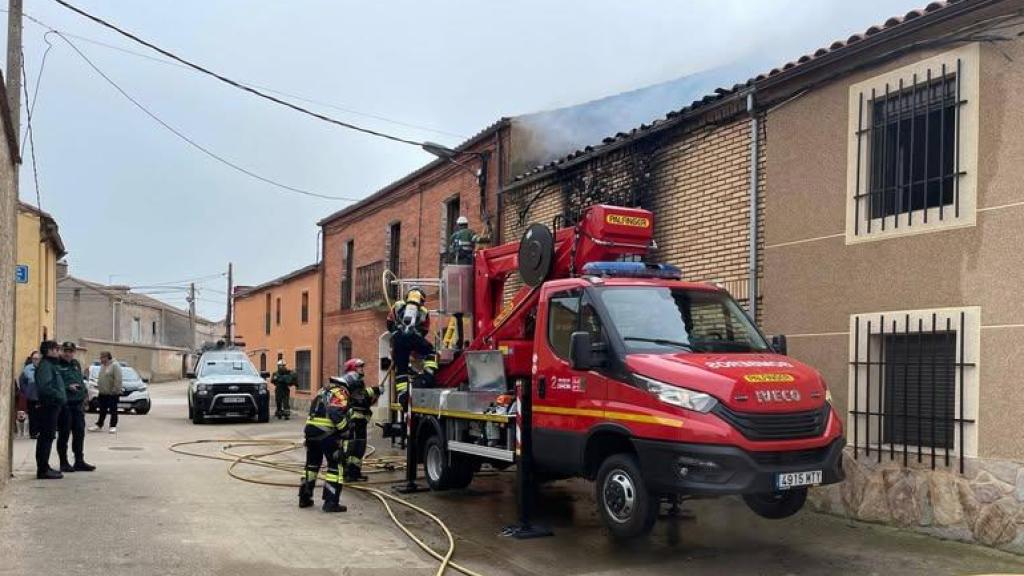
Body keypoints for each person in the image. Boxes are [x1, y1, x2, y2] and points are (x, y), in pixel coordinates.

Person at [299, 376, 352, 512]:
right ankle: (330, 503)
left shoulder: (322, 391)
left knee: (311, 465)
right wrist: (345, 430)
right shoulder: (340, 393)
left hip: (310, 432)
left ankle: (304, 498)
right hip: (326, 434)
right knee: (335, 466)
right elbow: (335, 413)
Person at [387, 287, 438, 411]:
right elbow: (425, 330)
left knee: (401, 368)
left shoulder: (397, 306)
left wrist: (396, 334)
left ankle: (402, 396)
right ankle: (428, 375)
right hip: (413, 337)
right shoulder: (424, 312)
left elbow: (389, 323)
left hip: (398, 339)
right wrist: (416, 341)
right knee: (431, 352)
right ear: (422, 300)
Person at [56, 342, 95, 473]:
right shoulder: (57, 364)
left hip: (78, 404)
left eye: (71, 351)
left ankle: (79, 461)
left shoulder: (76, 364)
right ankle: (63, 462)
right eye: (65, 351)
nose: (68, 354)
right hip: (65, 404)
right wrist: (68, 387)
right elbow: (56, 383)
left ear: (74, 352)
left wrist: (85, 395)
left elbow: (80, 380)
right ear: (61, 351)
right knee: (64, 434)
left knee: (79, 433)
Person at [339, 358, 379, 483]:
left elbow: (365, 401)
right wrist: (374, 390)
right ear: (352, 368)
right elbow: (359, 396)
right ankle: (347, 473)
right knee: (351, 446)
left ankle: (355, 472)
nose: (362, 369)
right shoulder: (351, 380)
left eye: (362, 367)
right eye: (359, 367)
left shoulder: (358, 381)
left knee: (359, 447)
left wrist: (374, 396)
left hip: (361, 420)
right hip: (353, 419)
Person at [34, 340, 66, 479]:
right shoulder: (46, 366)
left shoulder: (51, 365)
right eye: (56, 350)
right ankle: (42, 470)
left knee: (48, 436)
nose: (58, 352)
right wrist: (59, 396)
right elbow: (45, 387)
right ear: (49, 351)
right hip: (49, 405)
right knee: (46, 437)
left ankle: (45, 466)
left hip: (52, 405)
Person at [89, 352, 122, 433]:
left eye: (102, 357)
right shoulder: (103, 366)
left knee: (113, 410)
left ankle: (113, 426)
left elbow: (118, 379)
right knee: (102, 410)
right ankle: (99, 425)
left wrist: (115, 389)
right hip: (103, 392)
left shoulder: (115, 365)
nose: (101, 359)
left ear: (107, 357)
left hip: (112, 393)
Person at [18, 351, 41, 439]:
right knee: (32, 415)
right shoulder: (27, 369)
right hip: (31, 396)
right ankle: (33, 433)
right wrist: (26, 391)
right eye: (34, 359)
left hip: (41, 396)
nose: (36, 360)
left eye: (38, 359)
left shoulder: (43, 369)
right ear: (32, 359)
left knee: (41, 415)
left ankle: (40, 431)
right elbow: (22, 381)